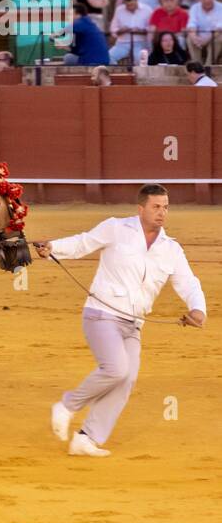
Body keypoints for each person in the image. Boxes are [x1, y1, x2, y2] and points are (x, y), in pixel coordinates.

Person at [36, 184, 205, 457]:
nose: (162, 212)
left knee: (126, 379)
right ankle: (67, 405)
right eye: (156, 207)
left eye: (165, 207)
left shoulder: (170, 248)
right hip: (102, 314)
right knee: (116, 368)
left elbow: (188, 282)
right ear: (141, 209)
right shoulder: (116, 228)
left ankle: (87, 438)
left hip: (134, 323)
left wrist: (198, 309)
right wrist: (53, 247)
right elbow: (83, 242)